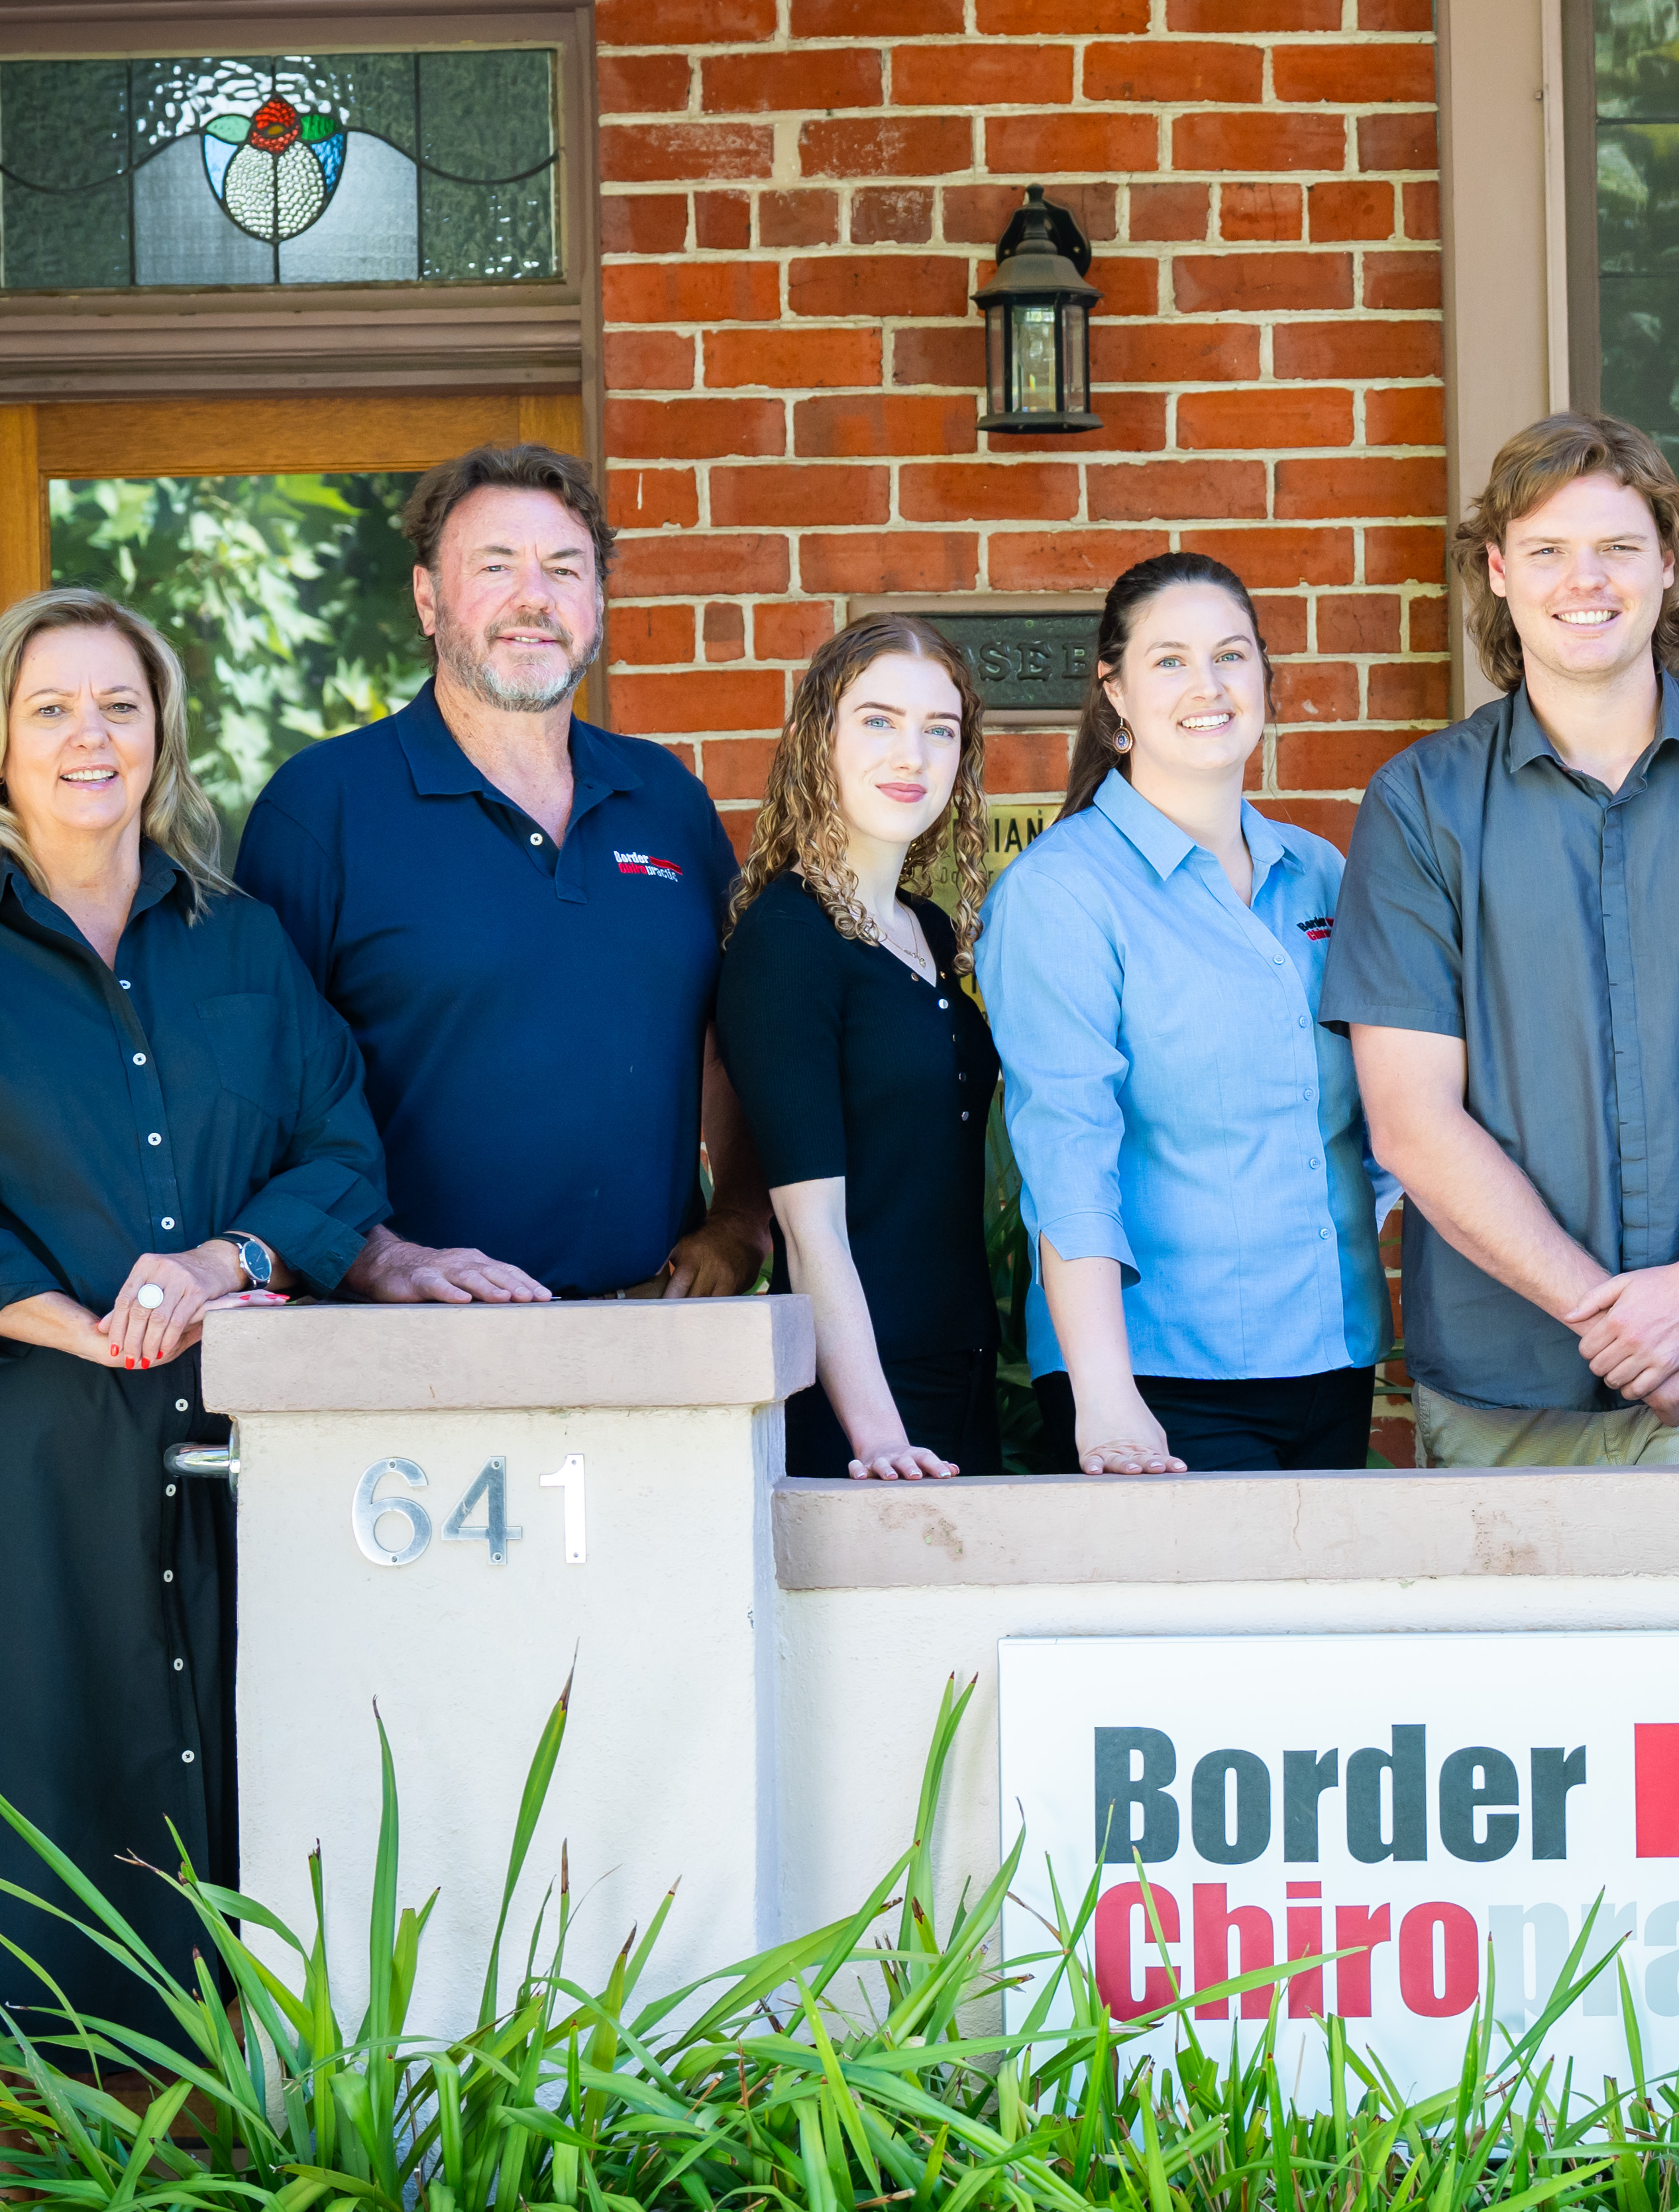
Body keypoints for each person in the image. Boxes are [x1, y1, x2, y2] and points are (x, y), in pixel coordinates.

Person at [0, 589, 384, 2085]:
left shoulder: (243, 948)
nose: (89, 737)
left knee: (201, 1820)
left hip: (213, 1444)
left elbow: (340, 1158)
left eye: (119, 707)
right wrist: (80, 1326)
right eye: (52, 707)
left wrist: (212, 1265)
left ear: (161, 736)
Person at [1324, 413, 1679, 1466]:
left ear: (1668, 563)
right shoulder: (1419, 805)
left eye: (1618, 548)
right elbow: (1409, 1121)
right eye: (1546, 552)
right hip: (1501, 1380)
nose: (1587, 581)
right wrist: (1614, 1320)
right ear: (1497, 570)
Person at [235, 442, 767, 1304]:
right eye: (495, 567)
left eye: (564, 569)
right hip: (407, 1346)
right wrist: (377, 1256)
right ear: (427, 599)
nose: (534, 598)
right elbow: (256, 1092)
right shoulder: (321, 810)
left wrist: (739, 1223)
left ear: (596, 602)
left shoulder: (666, 800)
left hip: (651, 1334)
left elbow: (734, 1047)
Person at [983, 555, 1390, 1475]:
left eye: (1231, 656)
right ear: (1113, 693)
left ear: (1263, 681)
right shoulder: (1061, 891)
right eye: (1168, 661)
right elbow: (1065, 1154)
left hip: (1332, 1348)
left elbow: (1379, 1105)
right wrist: (1103, 1397)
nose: (1207, 686)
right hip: (1157, 1376)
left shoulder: (1319, 872)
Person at [712, 615, 1000, 1479]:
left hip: (963, 1366)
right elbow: (810, 1231)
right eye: (878, 720)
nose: (910, 754)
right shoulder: (787, 941)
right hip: (860, 1402)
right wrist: (878, 1436)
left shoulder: (930, 928)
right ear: (819, 740)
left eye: (937, 730)